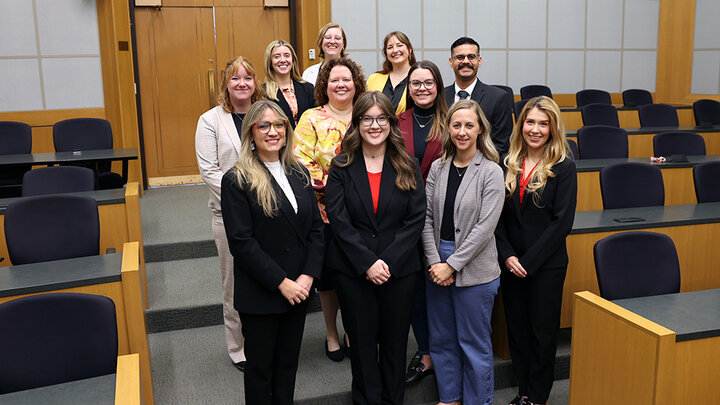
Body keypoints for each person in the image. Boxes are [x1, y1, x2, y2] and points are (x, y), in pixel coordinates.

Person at [325, 91, 426, 405]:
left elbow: (416, 218)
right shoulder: (341, 166)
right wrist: (368, 262)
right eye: (367, 118)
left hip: (401, 271)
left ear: (390, 123)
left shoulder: (408, 163)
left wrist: (389, 262)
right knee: (363, 346)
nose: (374, 125)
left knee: (396, 344)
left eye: (381, 118)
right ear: (357, 123)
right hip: (354, 272)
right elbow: (339, 221)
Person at [220, 100, 324, 405]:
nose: (272, 131)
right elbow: (242, 243)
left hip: (299, 290)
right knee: (261, 372)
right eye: (263, 125)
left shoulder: (299, 171)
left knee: (288, 367)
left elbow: (316, 230)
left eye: (279, 125)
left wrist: (308, 276)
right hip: (264, 291)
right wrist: (283, 282)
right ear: (251, 133)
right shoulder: (236, 179)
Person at [495, 96, 577, 405]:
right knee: (517, 331)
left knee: (542, 335)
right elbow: (497, 219)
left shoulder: (564, 167)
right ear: (521, 125)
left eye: (543, 123)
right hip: (512, 262)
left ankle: (537, 397)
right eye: (530, 122)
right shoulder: (507, 162)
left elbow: (562, 223)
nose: (536, 129)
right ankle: (523, 391)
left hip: (546, 265)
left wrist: (527, 262)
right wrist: (508, 256)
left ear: (553, 127)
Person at [421, 99, 504, 405]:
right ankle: (450, 397)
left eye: (469, 125)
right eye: (456, 125)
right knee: (442, 340)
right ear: (448, 128)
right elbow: (426, 218)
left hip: (475, 268)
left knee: (473, 344)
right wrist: (434, 261)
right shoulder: (438, 167)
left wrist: (451, 265)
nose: (462, 131)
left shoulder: (491, 171)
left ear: (480, 128)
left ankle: (478, 401)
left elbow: (485, 229)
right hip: (436, 264)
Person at [195, 56, 264, 372]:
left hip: (268, 213)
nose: (242, 84)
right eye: (235, 79)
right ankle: (239, 347)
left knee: (266, 278)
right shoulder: (210, 120)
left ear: (255, 83)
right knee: (233, 284)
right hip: (230, 216)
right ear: (226, 83)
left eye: (247, 78)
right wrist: (244, 200)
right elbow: (209, 170)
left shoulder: (265, 114)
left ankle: (265, 338)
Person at [294, 57, 366, 361]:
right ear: (325, 84)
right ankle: (332, 333)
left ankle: (353, 330)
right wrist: (336, 189)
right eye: (334, 80)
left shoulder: (366, 114)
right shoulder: (311, 117)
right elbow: (301, 162)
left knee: (356, 275)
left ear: (356, 83)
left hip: (364, 213)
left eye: (346, 79)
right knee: (327, 279)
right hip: (323, 212)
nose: (341, 85)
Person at [396, 60, 448, 384]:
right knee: (415, 290)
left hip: (443, 217)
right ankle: (426, 353)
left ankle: (445, 353)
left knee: (439, 290)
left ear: (438, 86)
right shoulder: (395, 121)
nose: (422, 88)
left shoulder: (452, 120)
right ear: (408, 88)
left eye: (428, 83)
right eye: (415, 83)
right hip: (403, 217)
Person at [444, 37, 513, 155]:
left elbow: (500, 145)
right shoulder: (440, 97)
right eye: (460, 57)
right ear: (451, 62)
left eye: (471, 57)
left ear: (479, 61)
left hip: (484, 169)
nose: (466, 61)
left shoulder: (499, 98)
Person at [263, 40, 315, 128]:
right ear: (270, 62)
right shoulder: (263, 92)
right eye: (277, 56)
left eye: (287, 55)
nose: (283, 60)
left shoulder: (308, 88)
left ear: (293, 60)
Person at [367, 31, 416, 114]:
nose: (395, 50)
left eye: (399, 45)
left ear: (409, 50)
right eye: (390, 47)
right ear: (386, 53)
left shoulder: (417, 78)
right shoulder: (374, 79)